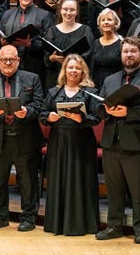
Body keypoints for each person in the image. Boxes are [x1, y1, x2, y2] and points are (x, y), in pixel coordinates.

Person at [97, 37, 140, 244]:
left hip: (136, 142)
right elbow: (97, 108)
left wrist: (128, 112)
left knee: (139, 189)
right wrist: (106, 110)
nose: (129, 55)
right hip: (111, 141)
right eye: (125, 51)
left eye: (133, 52)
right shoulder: (109, 80)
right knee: (114, 188)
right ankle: (114, 226)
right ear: (121, 55)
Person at [0, 45, 44, 232]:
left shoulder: (32, 78)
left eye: (12, 59)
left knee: (28, 182)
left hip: (25, 138)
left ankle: (28, 218)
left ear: (18, 60)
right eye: (4, 59)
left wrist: (28, 111)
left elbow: (39, 104)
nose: (8, 62)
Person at [43, 54, 102, 236]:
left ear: (83, 71)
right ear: (64, 70)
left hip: (81, 141)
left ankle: (81, 225)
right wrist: (49, 117)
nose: (73, 71)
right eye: (70, 67)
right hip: (58, 140)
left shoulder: (90, 93)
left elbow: (97, 117)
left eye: (77, 68)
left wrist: (81, 118)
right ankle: (57, 224)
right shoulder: (54, 92)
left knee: (80, 179)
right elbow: (42, 113)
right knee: (58, 179)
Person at [0, 0, 51, 80]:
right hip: (9, 64)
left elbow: (49, 44)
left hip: (34, 64)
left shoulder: (44, 15)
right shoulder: (7, 14)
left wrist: (30, 44)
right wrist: (1, 42)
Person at [42, 0, 92, 87]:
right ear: (60, 11)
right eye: (65, 9)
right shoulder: (52, 31)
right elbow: (46, 57)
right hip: (55, 78)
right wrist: (52, 58)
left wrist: (72, 61)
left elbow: (89, 54)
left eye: (72, 10)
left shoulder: (85, 30)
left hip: (78, 77)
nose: (68, 13)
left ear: (77, 12)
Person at [90, 8, 125, 89]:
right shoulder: (95, 43)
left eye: (109, 20)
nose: (106, 22)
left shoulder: (122, 43)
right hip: (96, 84)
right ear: (99, 24)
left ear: (116, 23)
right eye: (103, 20)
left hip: (115, 84)